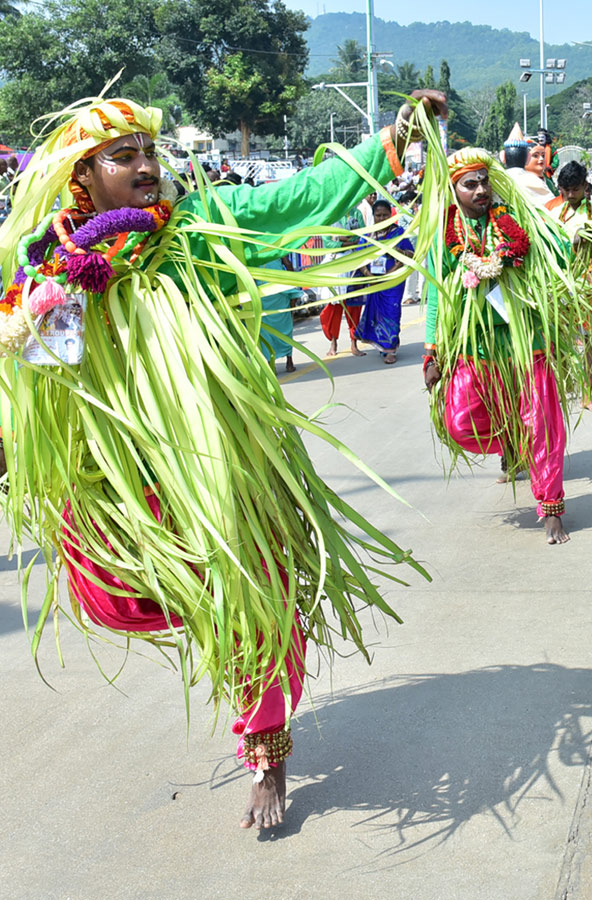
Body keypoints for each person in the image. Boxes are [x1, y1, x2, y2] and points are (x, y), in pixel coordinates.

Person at [0, 92, 445, 829]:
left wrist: (391, 136)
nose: (146, 166)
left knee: (252, 602)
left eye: (150, 152)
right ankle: (213, 620)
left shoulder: (202, 226)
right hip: (117, 471)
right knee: (109, 593)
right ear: (84, 177)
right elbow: (25, 369)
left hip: (216, 463)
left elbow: (297, 196)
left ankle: (267, 755)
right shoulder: (42, 261)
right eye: (124, 156)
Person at [422, 148, 589, 545]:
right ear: (453, 190)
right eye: (470, 184)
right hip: (473, 346)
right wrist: (431, 352)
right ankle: (514, 439)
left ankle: (551, 508)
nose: (480, 190)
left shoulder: (516, 221)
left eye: (484, 182)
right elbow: (434, 296)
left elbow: (557, 252)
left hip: (526, 343)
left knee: (544, 427)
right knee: (459, 423)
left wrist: (577, 243)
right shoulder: (444, 235)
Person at [546, 160, 592, 412]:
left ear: (585, 186)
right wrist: (573, 247)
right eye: (566, 190)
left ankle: (586, 394)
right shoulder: (553, 214)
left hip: (591, 289)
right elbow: (549, 251)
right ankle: (560, 388)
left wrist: (590, 252)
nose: (570, 195)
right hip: (561, 287)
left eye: (575, 189)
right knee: (558, 341)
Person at [355, 197, 414, 364]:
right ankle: (382, 344)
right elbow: (359, 258)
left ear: (391, 215)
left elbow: (412, 253)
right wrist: (368, 276)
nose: (382, 218)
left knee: (392, 311)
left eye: (385, 215)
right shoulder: (367, 235)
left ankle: (390, 349)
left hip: (393, 280)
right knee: (376, 313)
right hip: (373, 280)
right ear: (373, 216)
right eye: (378, 215)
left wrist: (399, 250)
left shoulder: (398, 233)